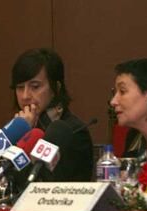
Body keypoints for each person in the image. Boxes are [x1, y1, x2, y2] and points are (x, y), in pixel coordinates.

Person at [11, 47, 94, 182]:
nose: (25, 96)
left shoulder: (72, 131)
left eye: (35, 86)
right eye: (20, 88)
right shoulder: (18, 127)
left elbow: (43, 182)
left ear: (56, 88)